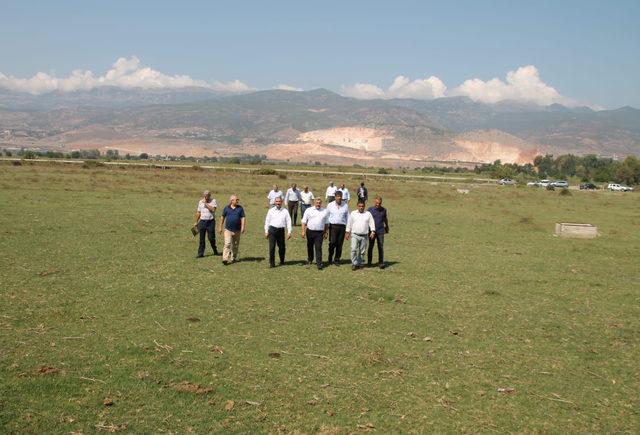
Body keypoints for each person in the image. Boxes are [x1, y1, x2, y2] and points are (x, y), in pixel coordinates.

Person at [346, 200, 376, 270]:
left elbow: (372, 223)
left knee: (362, 251)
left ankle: (359, 263)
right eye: (360, 206)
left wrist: (372, 231)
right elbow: (349, 223)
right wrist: (347, 232)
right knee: (353, 249)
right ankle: (354, 263)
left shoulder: (368, 214)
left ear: (364, 206)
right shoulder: (353, 213)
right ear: (357, 206)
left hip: (364, 236)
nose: (361, 207)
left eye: (362, 206)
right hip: (355, 235)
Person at [301, 197, 329, 270]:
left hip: (320, 233)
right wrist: (303, 231)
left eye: (319, 203)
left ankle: (319, 264)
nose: (318, 204)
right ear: (314, 203)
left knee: (318, 248)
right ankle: (310, 259)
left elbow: (326, 223)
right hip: (310, 231)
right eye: (317, 202)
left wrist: (326, 232)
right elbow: (304, 221)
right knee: (310, 246)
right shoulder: (308, 210)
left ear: (321, 203)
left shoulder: (325, 211)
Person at [264, 197, 292, 268]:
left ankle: (282, 260)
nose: (278, 203)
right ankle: (272, 263)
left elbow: (289, 221)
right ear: (275, 202)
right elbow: (267, 221)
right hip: (272, 230)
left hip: (281, 231)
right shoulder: (271, 210)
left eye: (279, 201)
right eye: (277, 201)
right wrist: (266, 231)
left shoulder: (285, 211)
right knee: (272, 247)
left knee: (282, 247)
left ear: (281, 202)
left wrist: (289, 232)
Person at [219, 195, 246, 265]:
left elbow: (243, 218)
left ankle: (233, 258)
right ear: (231, 201)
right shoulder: (226, 208)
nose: (237, 201)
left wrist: (243, 227)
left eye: (237, 200)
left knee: (235, 245)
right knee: (227, 244)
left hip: (237, 230)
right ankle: (225, 258)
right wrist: (220, 227)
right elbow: (222, 217)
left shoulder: (240, 208)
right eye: (236, 200)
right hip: (228, 230)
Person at [326, 190, 349, 266]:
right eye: (337, 196)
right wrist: (326, 229)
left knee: (339, 244)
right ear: (335, 197)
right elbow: (327, 216)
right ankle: (330, 257)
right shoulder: (330, 205)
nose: (339, 198)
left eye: (340, 196)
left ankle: (337, 259)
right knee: (332, 242)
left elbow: (347, 217)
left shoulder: (345, 205)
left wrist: (347, 230)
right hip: (333, 227)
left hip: (342, 227)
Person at [367, 196, 390, 268]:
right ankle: (369, 262)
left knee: (380, 246)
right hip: (372, 231)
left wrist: (387, 226)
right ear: (374, 202)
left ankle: (381, 262)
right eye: (376, 203)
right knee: (371, 246)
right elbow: (366, 220)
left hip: (380, 230)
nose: (378, 205)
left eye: (379, 203)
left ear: (381, 203)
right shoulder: (370, 210)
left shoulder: (384, 210)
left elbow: (385, 219)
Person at [195, 190, 219, 258]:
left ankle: (215, 249)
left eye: (207, 195)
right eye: (205, 195)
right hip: (202, 221)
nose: (206, 196)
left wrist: (206, 204)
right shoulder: (200, 202)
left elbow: (213, 210)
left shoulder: (213, 201)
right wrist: (196, 221)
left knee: (211, 238)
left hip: (211, 222)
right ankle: (200, 253)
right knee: (201, 238)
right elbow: (198, 212)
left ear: (210, 195)